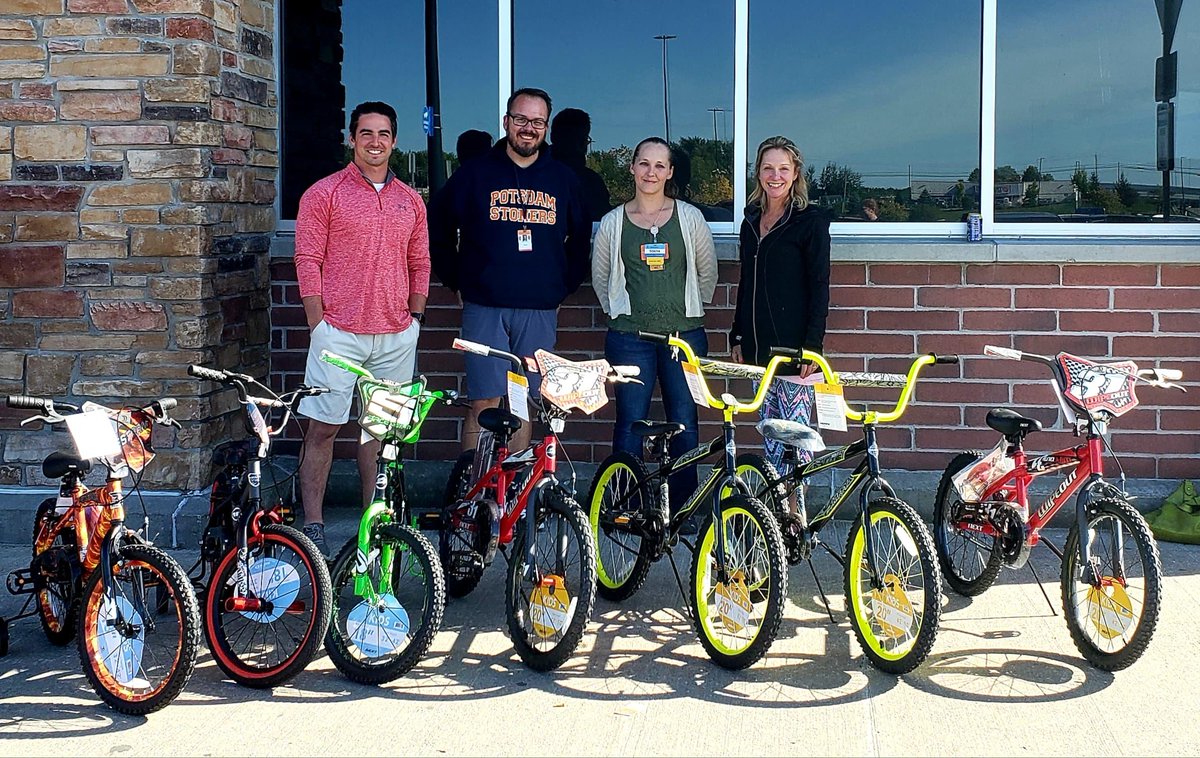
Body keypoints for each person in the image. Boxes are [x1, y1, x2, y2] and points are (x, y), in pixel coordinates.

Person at [292, 101, 430, 558]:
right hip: (339, 335)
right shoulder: (324, 194)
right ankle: (312, 524)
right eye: (366, 133)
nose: (375, 142)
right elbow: (307, 259)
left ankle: (378, 528)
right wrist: (318, 324)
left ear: (394, 140)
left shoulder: (410, 200)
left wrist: (415, 317)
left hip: (394, 337)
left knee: (380, 437)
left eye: (383, 134)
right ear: (352, 138)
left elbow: (420, 262)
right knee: (323, 431)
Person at [429, 87, 590, 453]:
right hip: (485, 305)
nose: (528, 128)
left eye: (537, 122)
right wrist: (455, 279)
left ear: (546, 128)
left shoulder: (563, 179)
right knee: (484, 402)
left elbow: (581, 239)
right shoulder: (475, 174)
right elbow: (437, 225)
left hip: (538, 309)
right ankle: (473, 494)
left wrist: (562, 287)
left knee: (524, 403)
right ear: (506, 122)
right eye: (520, 120)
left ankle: (513, 491)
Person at [592, 137, 717, 519]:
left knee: (685, 420)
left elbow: (706, 269)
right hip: (630, 339)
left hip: (684, 337)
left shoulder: (689, 217)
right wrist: (620, 314)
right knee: (630, 422)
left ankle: (683, 508)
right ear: (631, 168)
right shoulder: (614, 222)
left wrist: (690, 310)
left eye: (660, 165)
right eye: (644, 163)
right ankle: (623, 505)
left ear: (670, 172)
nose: (651, 172)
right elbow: (601, 277)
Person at [730, 135, 831, 490]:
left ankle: (794, 515)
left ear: (796, 173)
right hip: (758, 351)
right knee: (771, 435)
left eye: (783, 169)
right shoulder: (750, 221)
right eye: (768, 168)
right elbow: (746, 281)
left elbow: (820, 286)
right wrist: (737, 333)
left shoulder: (810, 221)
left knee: (796, 441)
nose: (775, 176)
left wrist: (813, 346)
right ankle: (774, 514)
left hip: (794, 352)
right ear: (758, 173)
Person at [549, 108, 612, 221]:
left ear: (552, 137)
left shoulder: (528, 175)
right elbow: (601, 223)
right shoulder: (592, 183)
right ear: (583, 142)